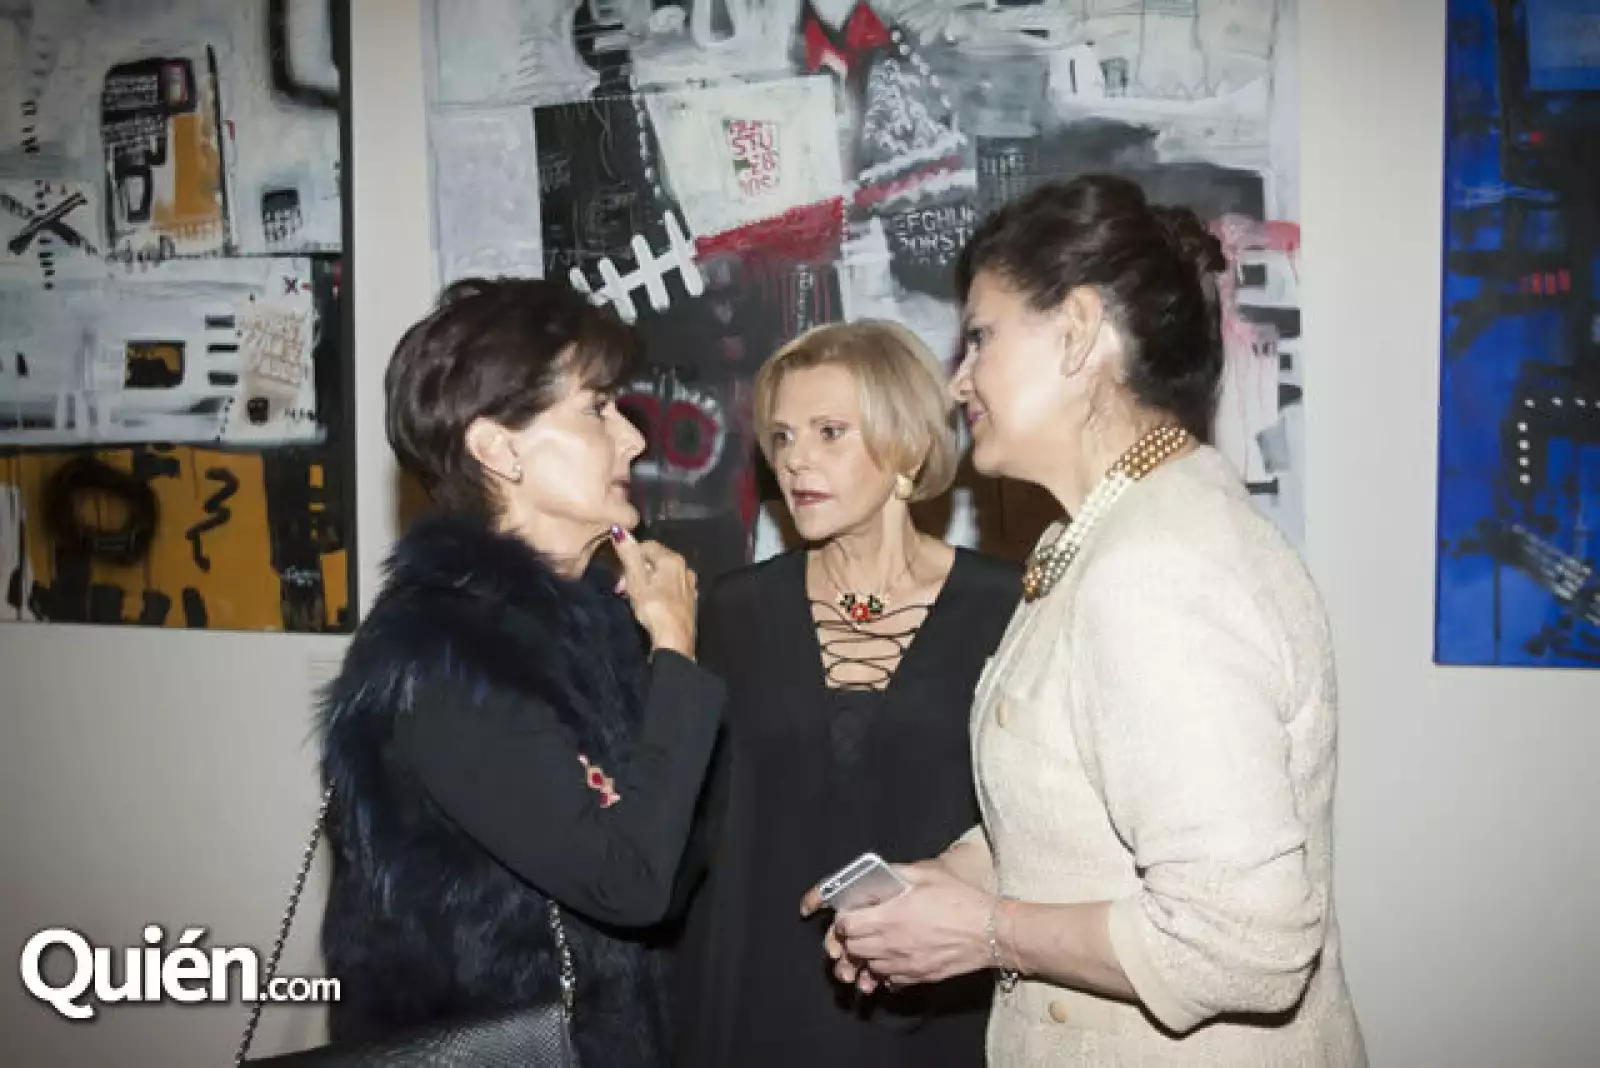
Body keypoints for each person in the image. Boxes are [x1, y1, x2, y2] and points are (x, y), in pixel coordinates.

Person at [807, 176, 1368, 1065]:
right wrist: (951, 881)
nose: (958, 383)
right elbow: (1086, 816)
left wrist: (986, 932)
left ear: (1076, 333)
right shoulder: (1107, 533)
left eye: (981, 338)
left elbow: (1248, 945)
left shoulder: (1158, 568)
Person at [316, 278, 725, 1068]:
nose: (633, 439)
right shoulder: (442, 653)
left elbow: (677, 861)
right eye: (597, 408)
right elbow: (629, 882)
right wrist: (675, 646)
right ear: (498, 447)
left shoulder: (595, 621)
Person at [673, 320, 1022, 1067]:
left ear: (906, 443)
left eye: (830, 432)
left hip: (936, 1008)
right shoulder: (728, 613)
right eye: (784, 436)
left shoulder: (1009, 608)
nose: (797, 459)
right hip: (750, 1003)